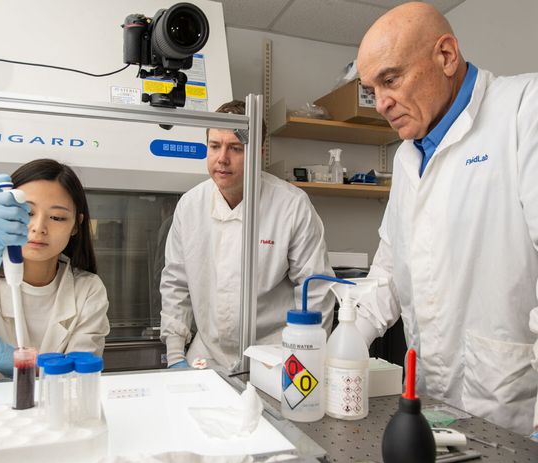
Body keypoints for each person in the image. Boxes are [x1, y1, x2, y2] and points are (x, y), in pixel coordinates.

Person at [355, 2, 538, 435]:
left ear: (446, 56)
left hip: (515, 408)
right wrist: (349, 337)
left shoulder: (523, 110)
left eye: (391, 79)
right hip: (432, 404)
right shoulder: (406, 157)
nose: (381, 104)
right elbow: (390, 265)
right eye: (371, 89)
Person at [160, 100, 334, 370]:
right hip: (206, 357)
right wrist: (174, 356)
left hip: (275, 358)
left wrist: (304, 364)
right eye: (215, 146)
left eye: (236, 148)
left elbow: (315, 292)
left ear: (258, 153)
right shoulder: (191, 205)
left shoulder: (291, 205)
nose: (222, 159)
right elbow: (176, 284)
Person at [0, 159, 110, 382]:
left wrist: (6, 358)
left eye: (57, 217)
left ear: (76, 224)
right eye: (27, 213)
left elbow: (78, 379)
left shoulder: (87, 289)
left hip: (50, 413)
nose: (39, 227)